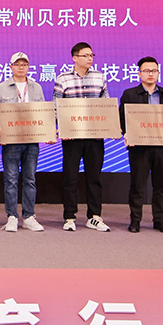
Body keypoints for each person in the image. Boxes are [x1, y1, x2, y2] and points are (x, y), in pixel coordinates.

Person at [53, 42, 111, 232]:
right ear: (75, 58)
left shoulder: (99, 77)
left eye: (91, 55)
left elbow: (105, 106)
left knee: (94, 178)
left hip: (95, 137)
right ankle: (69, 216)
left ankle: (94, 216)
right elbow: (56, 107)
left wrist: (107, 127)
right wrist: (63, 128)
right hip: (72, 138)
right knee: (70, 177)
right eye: (85, 55)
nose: (89, 58)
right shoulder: (63, 79)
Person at [118, 56, 163, 234]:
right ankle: (135, 220)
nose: (150, 74)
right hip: (139, 148)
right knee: (137, 185)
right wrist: (126, 133)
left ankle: (159, 220)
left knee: (161, 186)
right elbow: (122, 118)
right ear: (139, 73)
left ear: (158, 73)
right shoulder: (130, 94)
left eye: (154, 71)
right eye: (146, 71)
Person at [0, 52, 48, 233]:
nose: (21, 67)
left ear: (28, 67)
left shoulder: (36, 88)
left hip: (32, 140)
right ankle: (12, 216)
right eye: (17, 64)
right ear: (11, 67)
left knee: (30, 179)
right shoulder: (1, 88)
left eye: (24, 64)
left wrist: (47, 131)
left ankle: (29, 216)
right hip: (11, 141)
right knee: (10, 179)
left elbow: (42, 112)